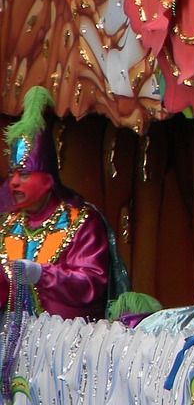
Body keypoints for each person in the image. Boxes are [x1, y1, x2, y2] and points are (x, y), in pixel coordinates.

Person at [0, 87, 111, 320]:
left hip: (66, 346)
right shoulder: (9, 225)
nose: (15, 183)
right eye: (12, 175)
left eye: (25, 174)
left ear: (47, 179)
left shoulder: (80, 222)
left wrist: (42, 274)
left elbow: (91, 284)